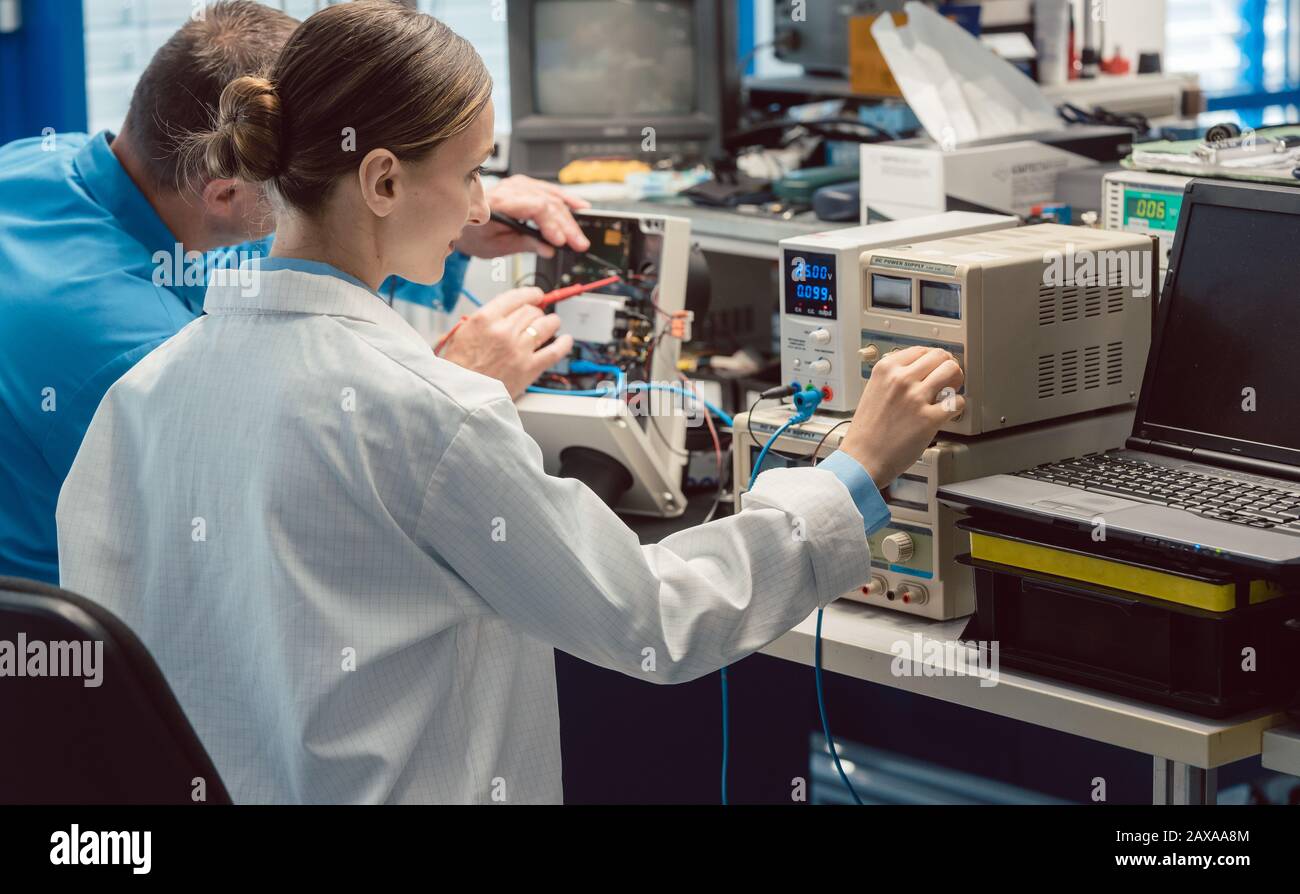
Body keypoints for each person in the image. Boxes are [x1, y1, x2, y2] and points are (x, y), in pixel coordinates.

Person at [56, 1, 965, 804]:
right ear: (380, 181)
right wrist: (854, 472)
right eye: (470, 171)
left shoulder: (141, 395)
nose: (480, 204)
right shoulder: (429, 412)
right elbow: (656, 618)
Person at [0, 1, 587, 585]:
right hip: (81, 641)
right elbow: (285, 526)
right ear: (229, 189)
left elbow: (213, 258)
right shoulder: (138, 362)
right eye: (300, 170)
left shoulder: (42, 161)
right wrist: (443, 387)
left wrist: (440, 222)